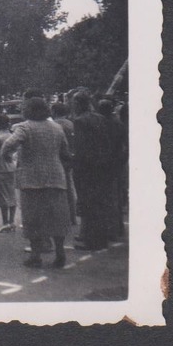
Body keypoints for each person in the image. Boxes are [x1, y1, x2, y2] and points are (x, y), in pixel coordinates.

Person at [1, 95, 72, 269]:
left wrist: (8, 156)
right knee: (57, 217)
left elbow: (8, 145)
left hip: (31, 179)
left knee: (33, 218)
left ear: (29, 110)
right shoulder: (57, 128)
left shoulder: (25, 127)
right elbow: (65, 152)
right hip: (56, 177)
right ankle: (60, 253)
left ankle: (36, 255)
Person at [69, 90, 120, 251]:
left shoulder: (80, 121)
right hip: (103, 165)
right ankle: (100, 237)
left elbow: (80, 146)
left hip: (86, 167)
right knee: (100, 202)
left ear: (78, 104)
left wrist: (75, 161)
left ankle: (90, 239)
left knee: (87, 202)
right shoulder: (100, 118)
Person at [0, 112, 18, 232]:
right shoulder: (13, 136)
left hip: (1, 168)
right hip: (12, 166)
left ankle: (5, 222)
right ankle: (12, 222)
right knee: (12, 195)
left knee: (2, 196)